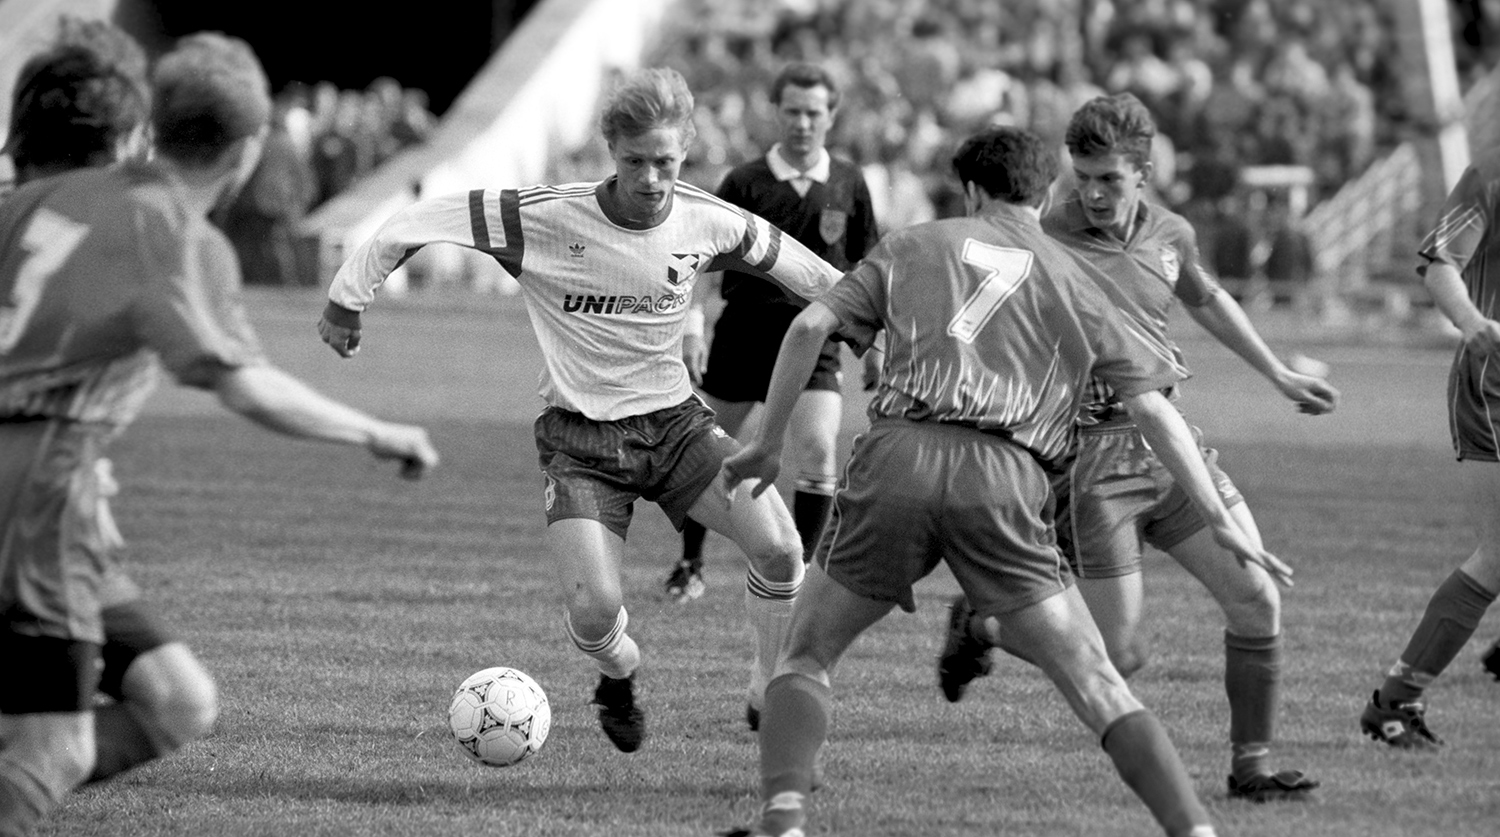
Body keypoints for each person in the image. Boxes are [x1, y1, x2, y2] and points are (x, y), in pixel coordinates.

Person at [720, 124, 1292, 837]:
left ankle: (783, 821)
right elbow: (1153, 409)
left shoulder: (912, 244)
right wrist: (1219, 514)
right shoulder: (1078, 276)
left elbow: (808, 328)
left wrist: (768, 443)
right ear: (1045, 194)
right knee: (1097, 678)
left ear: (971, 191)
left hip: (898, 460)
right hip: (1007, 476)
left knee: (806, 653)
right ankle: (1194, 830)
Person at [316, 67, 845, 752]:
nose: (651, 178)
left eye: (665, 162)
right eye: (635, 161)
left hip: (677, 427)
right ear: (611, 151)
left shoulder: (708, 218)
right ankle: (619, 673)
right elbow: (420, 219)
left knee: (780, 549)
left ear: (685, 152)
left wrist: (885, 324)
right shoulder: (540, 215)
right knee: (596, 613)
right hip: (579, 442)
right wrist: (347, 298)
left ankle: (767, 685)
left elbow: (814, 276)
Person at [0, 33, 439, 837]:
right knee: (54, 749)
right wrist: (376, 431)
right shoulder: (170, 232)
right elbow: (241, 381)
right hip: (35, 497)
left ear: (151, 125)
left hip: (55, 489)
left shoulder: (39, 198)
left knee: (177, 699)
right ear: (247, 149)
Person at [940, 93, 1338, 803]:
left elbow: (1206, 299)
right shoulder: (1044, 233)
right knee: (1119, 655)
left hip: (1169, 443)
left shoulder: (1171, 232)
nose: (1092, 194)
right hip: (1092, 461)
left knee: (1257, 598)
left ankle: (1251, 767)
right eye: (1082, 178)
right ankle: (984, 625)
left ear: (1144, 175)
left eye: (1110, 180)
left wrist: (1277, 372)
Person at [667, 62, 879, 605]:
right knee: (706, 450)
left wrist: (874, 342)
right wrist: (694, 327)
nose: (802, 123)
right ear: (776, 113)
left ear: (831, 115)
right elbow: (702, 258)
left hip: (816, 340)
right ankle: (690, 565)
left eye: (813, 113)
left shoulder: (850, 183)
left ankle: (798, 574)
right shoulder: (745, 181)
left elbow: (866, 267)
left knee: (819, 449)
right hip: (743, 337)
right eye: (792, 112)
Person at [1359, 161, 1500, 749]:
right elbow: (1441, 266)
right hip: (1495, 383)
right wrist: (1472, 322)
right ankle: (1395, 702)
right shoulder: (1491, 175)